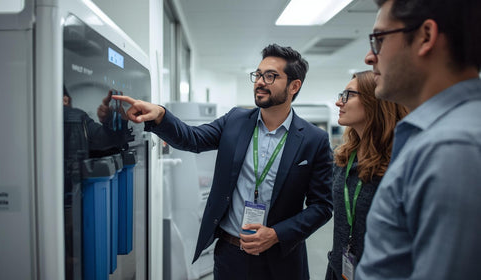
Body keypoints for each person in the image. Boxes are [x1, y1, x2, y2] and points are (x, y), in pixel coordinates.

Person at [113, 44, 333, 279]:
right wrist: (160, 115)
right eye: (258, 74)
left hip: (280, 258)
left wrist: (276, 234)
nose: (260, 82)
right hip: (231, 255)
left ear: (294, 86)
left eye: (271, 76)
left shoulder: (313, 139)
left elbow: (322, 207)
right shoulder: (236, 120)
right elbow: (193, 139)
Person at [355, 0, 481, 279]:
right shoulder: (436, 136)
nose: (369, 57)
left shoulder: (451, 149)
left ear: (425, 36)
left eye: (379, 40)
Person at [325, 70, 407, 280]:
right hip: (339, 269)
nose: (338, 103)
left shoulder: (399, 163)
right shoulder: (344, 158)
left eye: (348, 95)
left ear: (376, 100)